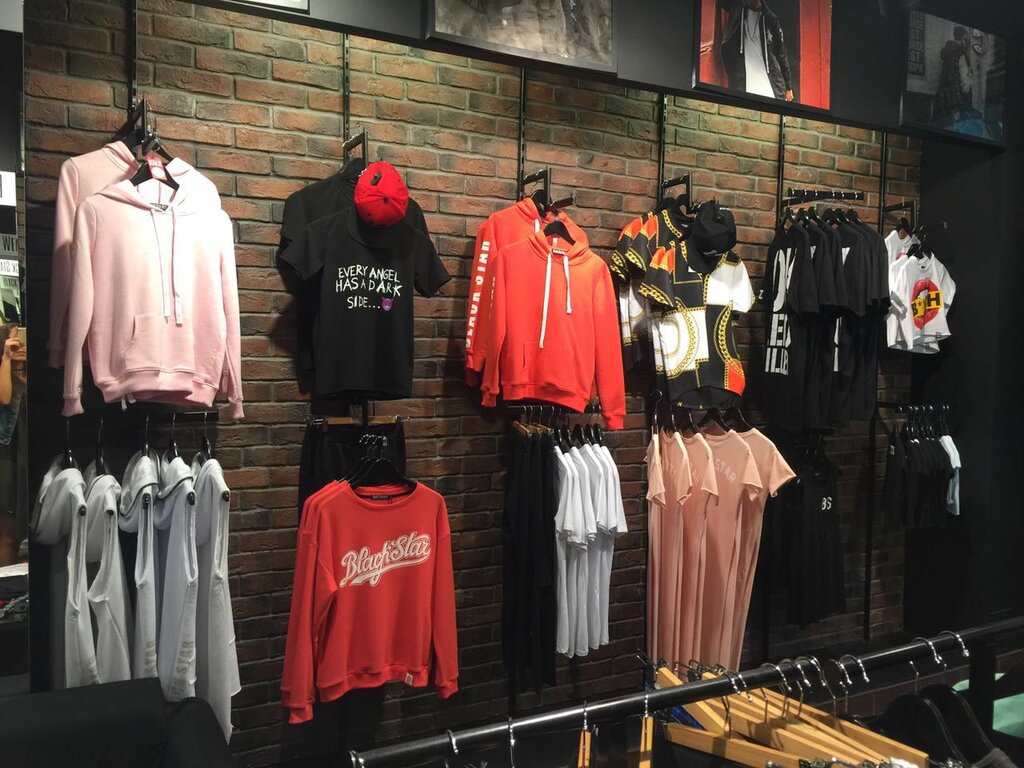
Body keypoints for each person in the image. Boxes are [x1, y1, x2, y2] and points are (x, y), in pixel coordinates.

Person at [718, 0, 795, 101]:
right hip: (744, 81)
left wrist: (788, 87)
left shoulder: (770, 18)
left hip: (769, 83)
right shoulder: (738, 11)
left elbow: (781, 54)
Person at [0, 324, 26, 566]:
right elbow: (5, 397)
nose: (20, 345)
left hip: (26, 453)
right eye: (14, 340)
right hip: (8, 454)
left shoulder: (33, 373)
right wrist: (6, 359)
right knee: (8, 531)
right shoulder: (3, 370)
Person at [934, 26, 975, 126]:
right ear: (961, 40)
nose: (967, 45)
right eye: (967, 41)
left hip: (942, 100)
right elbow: (965, 87)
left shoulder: (947, 54)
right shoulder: (960, 55)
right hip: (956, 102)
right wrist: (970, 77)